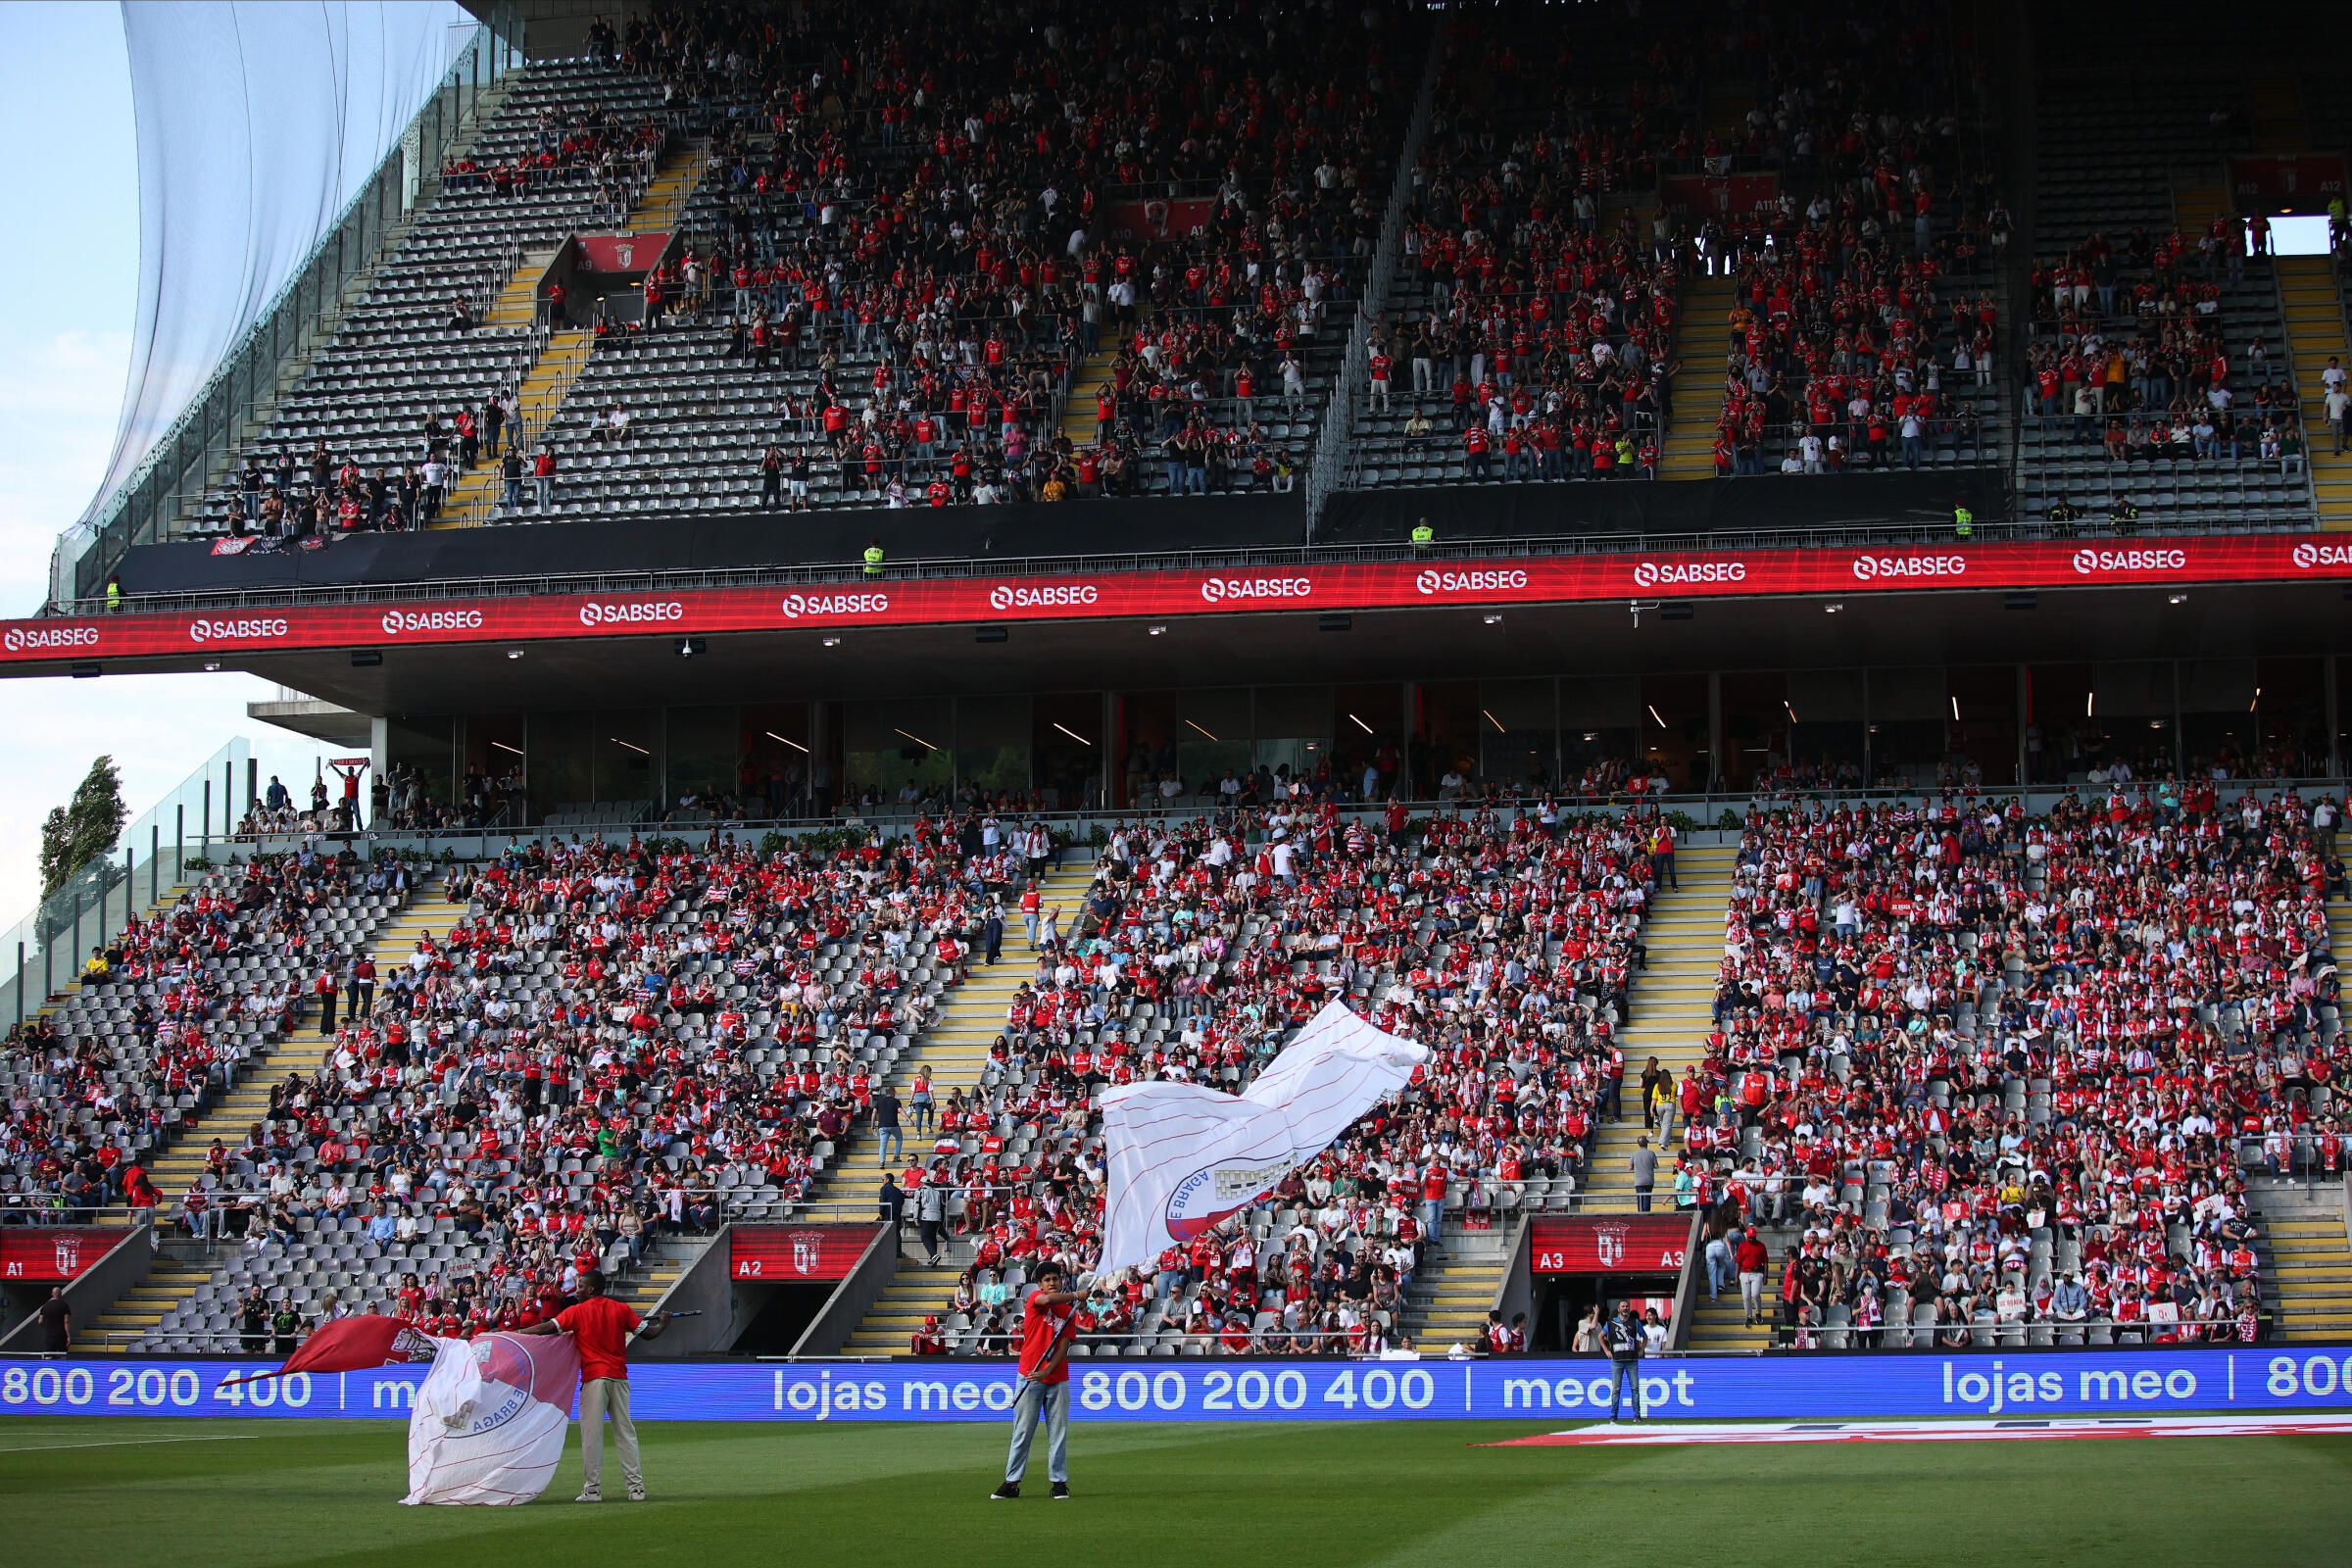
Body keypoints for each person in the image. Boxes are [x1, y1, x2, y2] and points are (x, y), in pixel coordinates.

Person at [521, 1269, 667, 1503]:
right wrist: (664, 1323)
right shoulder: (621, 1309)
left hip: (593, 1379)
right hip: (619, 1378)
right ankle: (636, 1489)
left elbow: (547, 1328)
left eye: (580, 1287)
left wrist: (518, 1333)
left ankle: (593, 1490)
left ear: (591, 1289)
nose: (576, 1291)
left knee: (592, 1436)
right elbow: (650, 1334)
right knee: (626, 1434)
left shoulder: (577, 1312)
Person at [992, 1260, 1082, 1500]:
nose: (1052, 1283)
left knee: (1058, 1433)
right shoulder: (1035, 1300)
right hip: (1030, 1375)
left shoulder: (1068, 1311)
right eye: (1047, 1280)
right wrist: (1076, 1294)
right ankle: (1012, 1481)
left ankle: (1059, 1482)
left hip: (1057, 1377)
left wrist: (1048, 1369)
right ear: (1040, 1284)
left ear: (1061, 1280)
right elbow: (1047, 1301)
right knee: (1022, 1431)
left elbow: (1064, 1345)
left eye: (1055, 1278)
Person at [1602, 1301, 1645, 1421]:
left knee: (1635, 1389)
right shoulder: (1611, 1323)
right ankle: (1613, 1416)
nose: (1625, 1308)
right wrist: (1606, 1350)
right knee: (1616, 1389)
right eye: (1623, 1306)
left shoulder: (1635, 1322)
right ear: (1618, 1309)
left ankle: (1637, 1415)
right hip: (1617, 1360)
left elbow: (1644, 1336)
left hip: (1632, 1360)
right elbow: (1600, 1336)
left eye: (1627, 1306)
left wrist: (1641, 1350)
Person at [1736, 1227, 1770, 1327]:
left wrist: (1766, 1276)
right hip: (1744, 1273)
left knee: (1755, 1294)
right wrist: (1736, 1277)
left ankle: (1758, 1313)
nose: (1751, 1239)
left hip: (1757, 1273)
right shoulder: (1742, 1246)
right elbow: (1738, 1262)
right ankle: (1749, 1316)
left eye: (1753, 1237)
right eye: (1750, 1237)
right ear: (1747, 1237)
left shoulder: (1761, 1246)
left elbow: (1766, 1262)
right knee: (1746, 1297)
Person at [873, 1086, 904, 1167]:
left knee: (883, 1144)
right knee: (899, 1138)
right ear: (892, 1092)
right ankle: (896, 1156)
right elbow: (900, 1110)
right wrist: (909, 1119)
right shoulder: (896, 1101)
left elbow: (874, 1112)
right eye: (895, 1092)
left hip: (882, 1126)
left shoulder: (880, 1101)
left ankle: (882, 1162)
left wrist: (872, 1124)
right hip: (893, 1125)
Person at [35, 1287, 69, 1353]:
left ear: (52, 1294)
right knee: (62, 1355)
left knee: (48, 1354)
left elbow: (40, 1321)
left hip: (49, 1335)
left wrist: (46, 1327)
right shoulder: (64, 1305)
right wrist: (68, 1335)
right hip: (61, 1335)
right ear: (61, 1294)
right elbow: (66, 1321)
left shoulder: (45, 1306)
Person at [1630, 1137, 1658, 1213]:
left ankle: (1641, 1214)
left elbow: (1630, 1168)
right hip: (1649, 1180)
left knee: (1640, 1198)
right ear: (1646, 1143)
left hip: (1639, 1181)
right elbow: (1656, 1166)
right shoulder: (1651, 1153)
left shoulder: (1634, 1154)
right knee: (1648, 1197)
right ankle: (1647, 1213)